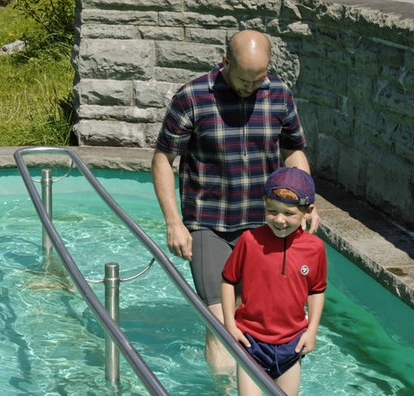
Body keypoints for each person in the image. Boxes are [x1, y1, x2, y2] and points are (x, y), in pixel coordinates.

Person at [151, 29, 320, 372]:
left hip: (265, 226)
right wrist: (174, 222)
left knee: (256, 320)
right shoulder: (193, 97)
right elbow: (162, 160)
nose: (251, 88)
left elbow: (293, 152)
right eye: (244, 80)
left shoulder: (279, 95)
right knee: (222, 323)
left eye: (259, 79)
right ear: (225, 62)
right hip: (208, 224)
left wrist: (306, 203)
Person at [221, 167, 326, 396]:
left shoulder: (315, 248)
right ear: (264, 205)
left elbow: (317, 290)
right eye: (272, 211)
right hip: (251, 342)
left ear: (307, 212)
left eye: (289, 213)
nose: (279, 220)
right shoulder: (249, 241)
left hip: (292, 344)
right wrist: (229, 324)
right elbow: (228, 281)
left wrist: (312, 331)